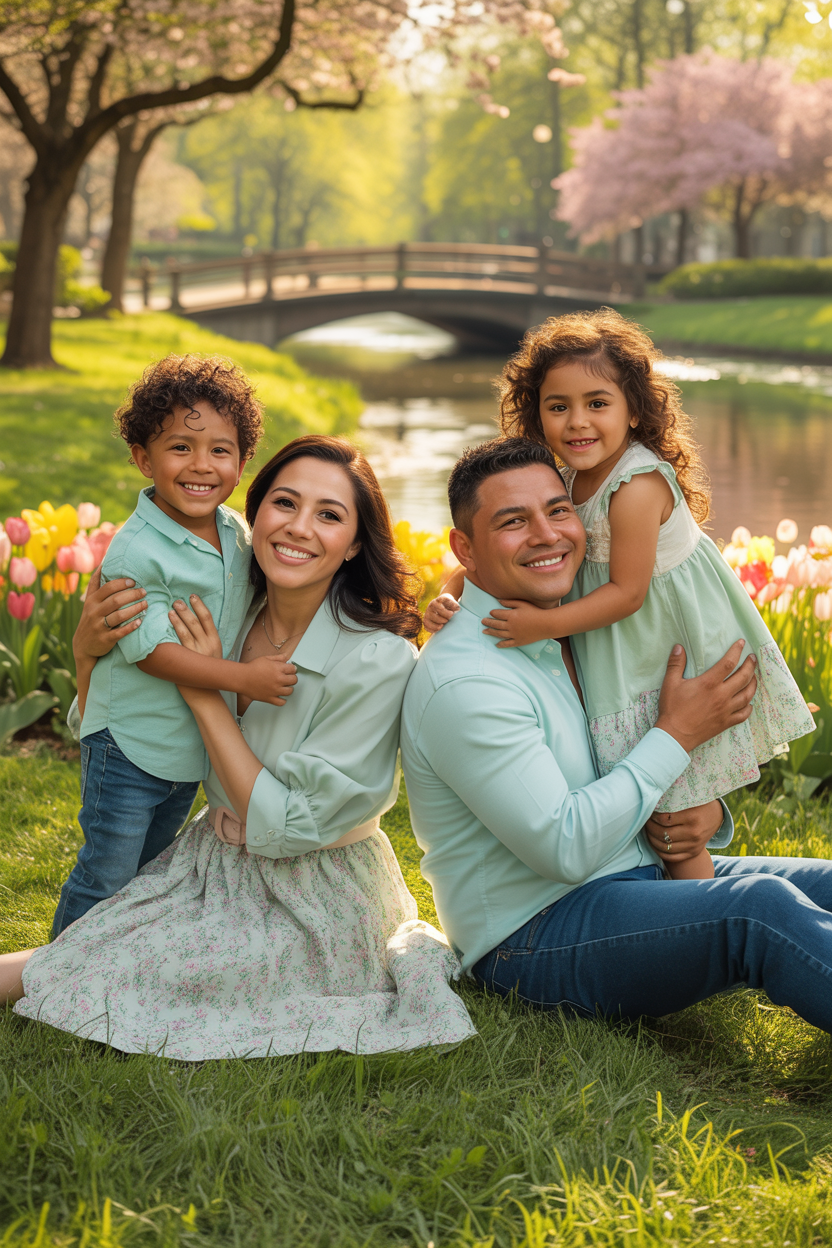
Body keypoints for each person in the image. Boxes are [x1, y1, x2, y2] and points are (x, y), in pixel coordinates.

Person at [1, 436, 475, 1059]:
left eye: (329, 515)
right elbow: (117, 720)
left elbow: (292, 827)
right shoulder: (228, 611)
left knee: (121, 969)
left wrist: (202, 688)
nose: (299, 528)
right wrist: (89, 654)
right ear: (256, 515)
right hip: (207, 860)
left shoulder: (376, 659)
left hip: (315, 893)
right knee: (89, 954)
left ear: (356, 543)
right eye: (284, 503)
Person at [403, 437, 832, 1031]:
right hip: (534, 931)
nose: (548, 534)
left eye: (558, 510)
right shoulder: (465, 680)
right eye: (513, 521)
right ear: (464, 548)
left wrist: (698, 816)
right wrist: (676, 734)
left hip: (635, 870)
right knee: (762, 912)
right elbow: (565, 846)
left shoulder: (568, 623)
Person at [425, 312, 814, 881]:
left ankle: (703, 925)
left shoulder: (636, 485)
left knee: (676, 823)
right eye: (558, 407)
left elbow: (628, 594)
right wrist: (449, 591)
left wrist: (541, 627)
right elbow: (492, 558)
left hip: (666, 650)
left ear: (635, 409)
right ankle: (687, 914)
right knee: (654, 808)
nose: (577, 422)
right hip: (624, 650)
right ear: (536, 412)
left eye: (597, 403)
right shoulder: (566, 475)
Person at [52, 354, 297, 937]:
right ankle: (58, 979)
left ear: (242, 461)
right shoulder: (137, 551)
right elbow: (150, 652)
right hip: (128, 741)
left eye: (220, 449)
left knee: (146, 874)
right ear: (144, 457)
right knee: (107, 873)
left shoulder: (238, 533)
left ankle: (119, 962)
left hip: (187, 748)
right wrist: (244, 679)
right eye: (180, 447)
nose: (202, 465)